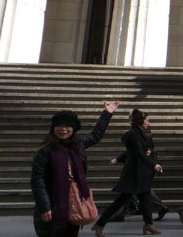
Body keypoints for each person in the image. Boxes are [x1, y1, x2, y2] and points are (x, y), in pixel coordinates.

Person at [31, 101, 120, 237]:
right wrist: (45, 207)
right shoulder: (45, 151)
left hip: (73, 205)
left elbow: (96, 135)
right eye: (59, 126)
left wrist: (107, 114)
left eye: (67, 126)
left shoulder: (77, 146)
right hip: (51, 205)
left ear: (74, 129)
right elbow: (38, 180)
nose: (63, 129)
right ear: (53, 128)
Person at [92, 108, 163, 236]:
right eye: (147, 121)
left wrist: (149, 153)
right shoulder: (134, 134)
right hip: (133, 172)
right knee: (121, 200)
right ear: (141, 122)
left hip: (141, 172)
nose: (149, 123)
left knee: (145, 199)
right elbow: (138, 154)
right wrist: (154, 164)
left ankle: (149, 224)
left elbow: (145, 151)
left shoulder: (143, 133)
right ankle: (100, 224)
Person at [108, 112, 168, 222]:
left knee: (139, 190)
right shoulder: (139, 132)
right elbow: (134, 151)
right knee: (135, 190)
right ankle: (124, 214)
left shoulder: (144, 133)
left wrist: (152, 161)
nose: (148, 122)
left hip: (143, 165)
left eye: (131, 118)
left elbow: (141, 151)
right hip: (141, 164)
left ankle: (159, 209)